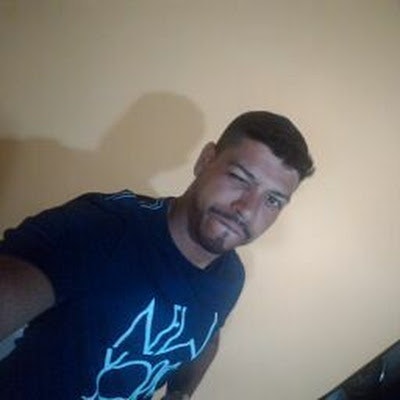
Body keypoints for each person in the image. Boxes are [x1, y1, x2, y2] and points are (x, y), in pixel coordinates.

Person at [0, 111, 314, 399]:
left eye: (272, 200)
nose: (247, 209)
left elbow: (207, 335)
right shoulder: (104, 226)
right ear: (206, 161)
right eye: (240, 178)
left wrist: (180, 394)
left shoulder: (231, 276)